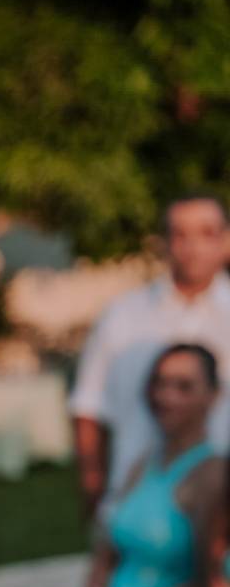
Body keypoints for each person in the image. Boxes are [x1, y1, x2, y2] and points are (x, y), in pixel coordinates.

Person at [71, 195, 230, 521]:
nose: (193, 247)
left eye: (206, 233)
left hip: (220, 511)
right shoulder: (123, 315)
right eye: (180, 234)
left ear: (225, 240)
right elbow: (88, 406)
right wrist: (93, 484)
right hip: (136, 503)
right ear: (164, 242)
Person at [60, 344, 227, 587]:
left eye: (184, 387)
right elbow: (108, 550)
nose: (166, 396)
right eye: (159, 383)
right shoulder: (142, 465)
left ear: (212, 396)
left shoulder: (214, 475)